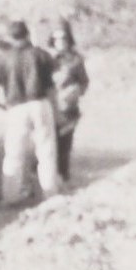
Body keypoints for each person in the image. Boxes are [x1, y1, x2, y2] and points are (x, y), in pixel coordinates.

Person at [0, 18, 63, 207]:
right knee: (46, 151)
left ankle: (10, 196)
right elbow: (51, 86)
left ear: (10, 37)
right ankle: (50, 194)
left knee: (14, 153)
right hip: (40, 103)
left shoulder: (3, 58)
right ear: (27, 34)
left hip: (16, 107)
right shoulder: (41, 55)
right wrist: (57, 110)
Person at [50, 23, 90, 183]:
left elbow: (84, 82)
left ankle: (63, 176)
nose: (61, 42)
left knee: (64, 143)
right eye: (57, 39)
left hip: (67, 107)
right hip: (49, 105)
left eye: (64, 38)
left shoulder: (75, 60)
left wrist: (75, 91)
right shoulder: (46, 58)